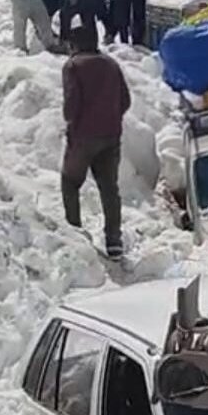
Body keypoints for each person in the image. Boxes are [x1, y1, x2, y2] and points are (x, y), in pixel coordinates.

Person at [61, 25, 131, 259]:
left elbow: (71, 106)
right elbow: (126, 100)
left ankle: (76, 234)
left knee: (70, 183)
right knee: (109, 188)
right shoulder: (111, 65)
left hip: (83, 138)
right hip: (111, 136)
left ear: (75, 44)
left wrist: (72, 122)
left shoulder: (73, 66)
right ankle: (114, 241)